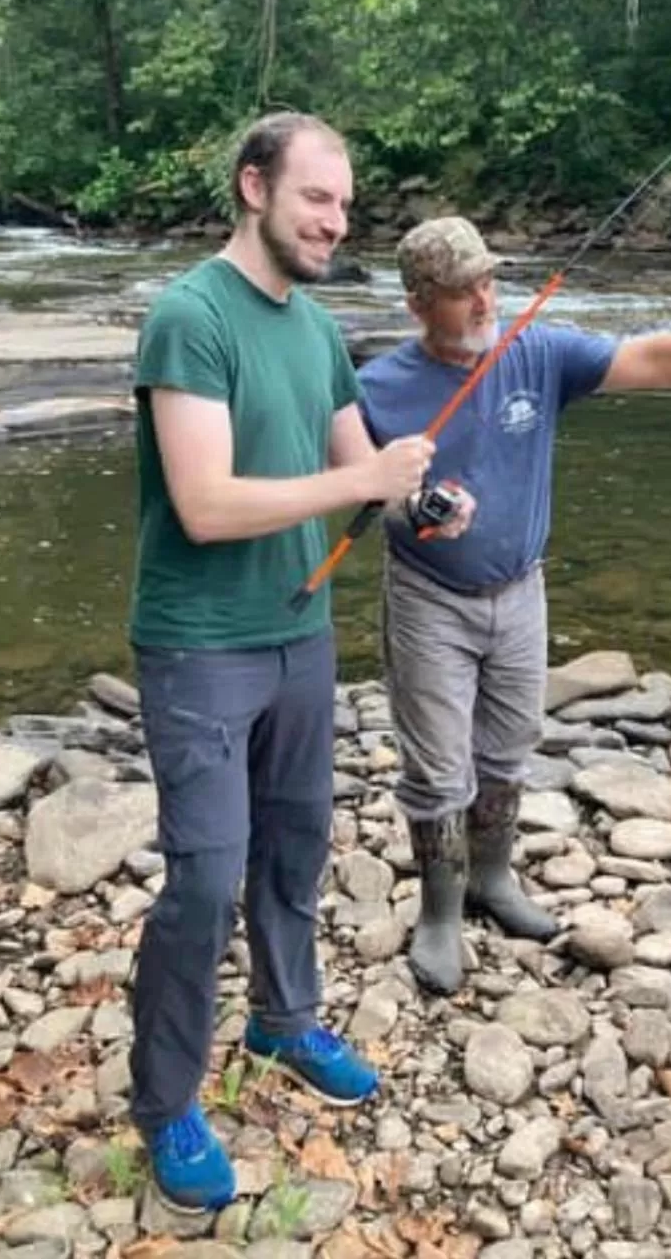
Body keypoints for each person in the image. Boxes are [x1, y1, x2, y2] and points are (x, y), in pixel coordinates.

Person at [358, 216, 671, 996]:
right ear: (418, 303)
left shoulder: (537, 353)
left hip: (521, 589)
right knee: (440, 766)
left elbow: (654, 358)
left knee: (510, 746)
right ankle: (440, 910)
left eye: (489, 281)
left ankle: (494, 879)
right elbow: (363, 491)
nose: (484, 300)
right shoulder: (377, 387)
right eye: (460, 292)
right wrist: (411, 509)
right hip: (428, 599)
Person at [127, 112, 439, 1211]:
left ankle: (283, 1018)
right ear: (253, 186)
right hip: (199, 643)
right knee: (206, 876)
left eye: (345, 204)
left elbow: (365, 467)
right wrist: (363, 483)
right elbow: (207, 506)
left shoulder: (313, 330)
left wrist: (420, 496)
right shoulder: (188, 318)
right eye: (317, 198)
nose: (335, 221)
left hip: (300, 634)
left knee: (296, 847)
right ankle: (166, 1099)